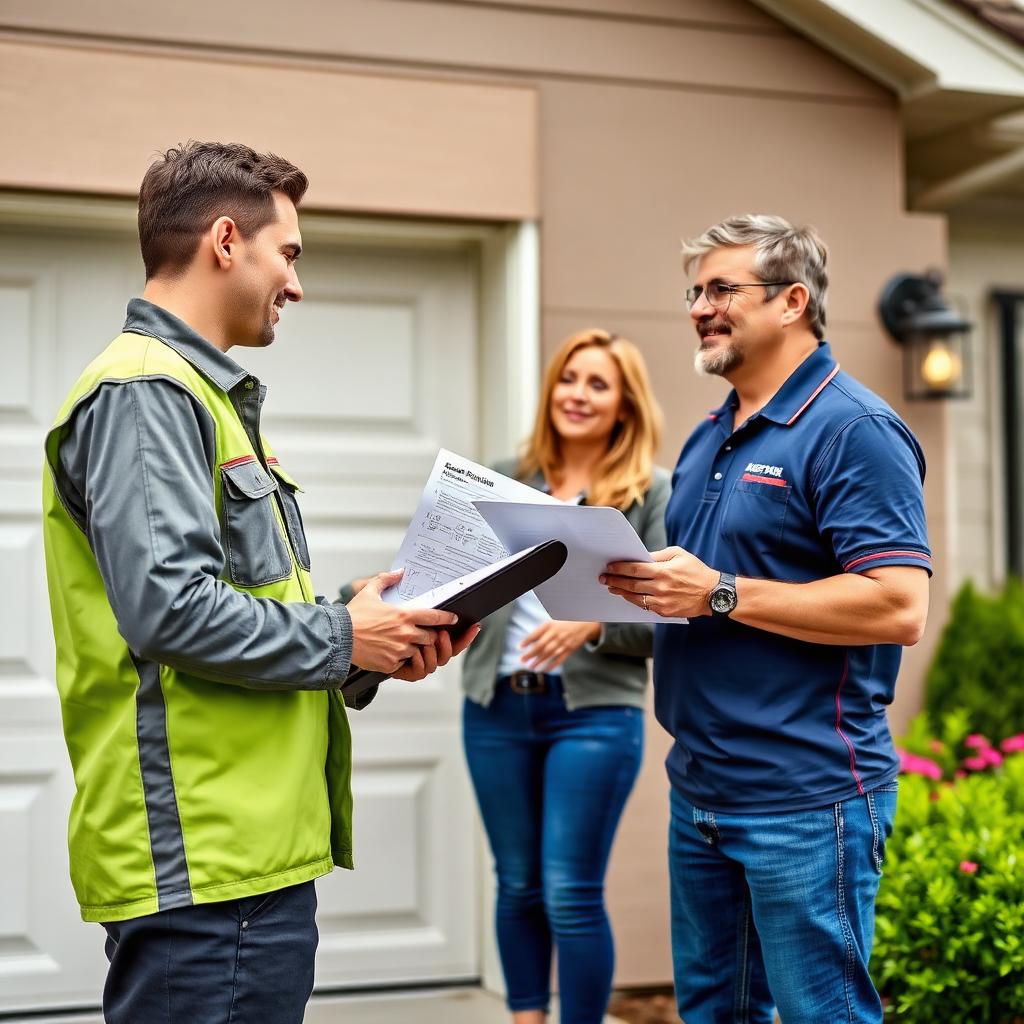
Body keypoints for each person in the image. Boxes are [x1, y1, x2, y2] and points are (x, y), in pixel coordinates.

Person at [41, 141, 478, 1024]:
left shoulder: (195, 395)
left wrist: (371, 637)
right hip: (208, 863)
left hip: (246, 854)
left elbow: (239, 602)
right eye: (292, 254)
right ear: (228, 240)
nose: (298, 283)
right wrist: (346, 636)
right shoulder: (143, 393)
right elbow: (170, 610)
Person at [601, 215, 931, 1024]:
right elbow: (705, 597)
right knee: (714, 1013)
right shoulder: (713, 432)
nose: (700, 307)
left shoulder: (854, 430)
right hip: (702, 788)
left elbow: (899, 604)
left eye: (722, 290)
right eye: (695, 291)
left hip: (808, 797)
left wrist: (718, 590)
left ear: (792, 302)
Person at [463, 329, 669, 1024]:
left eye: (598, 384)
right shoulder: (503, 480)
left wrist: (594, 622)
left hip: (592, 716)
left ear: (624, 408)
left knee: (569, 890)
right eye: (569, 378)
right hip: (495, 709)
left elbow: (672, 618)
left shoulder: (649, 495)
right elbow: (459, 580)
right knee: (517, 884)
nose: (578, 394)